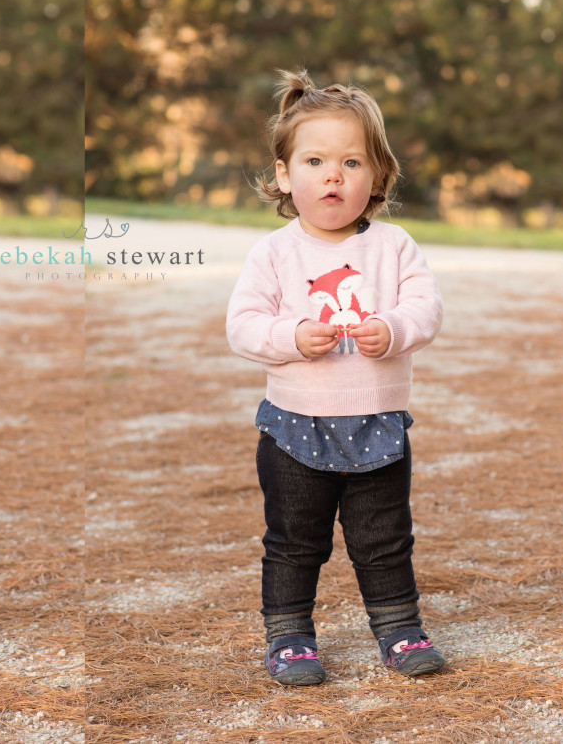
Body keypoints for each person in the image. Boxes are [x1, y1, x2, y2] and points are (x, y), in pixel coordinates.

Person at [226, 70, 445, 686]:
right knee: (295, 540)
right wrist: (291, 338)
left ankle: (400, 628)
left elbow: (427, 309)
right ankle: (290, 636)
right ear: (283, 174)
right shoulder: (274, 253)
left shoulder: (395, 247)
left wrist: (395, 328)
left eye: (352, 161)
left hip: (377, 423)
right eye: (315, 160)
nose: (333, 175)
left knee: (384, 538)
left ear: (376, 175)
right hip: (295, 426)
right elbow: (242, 326)